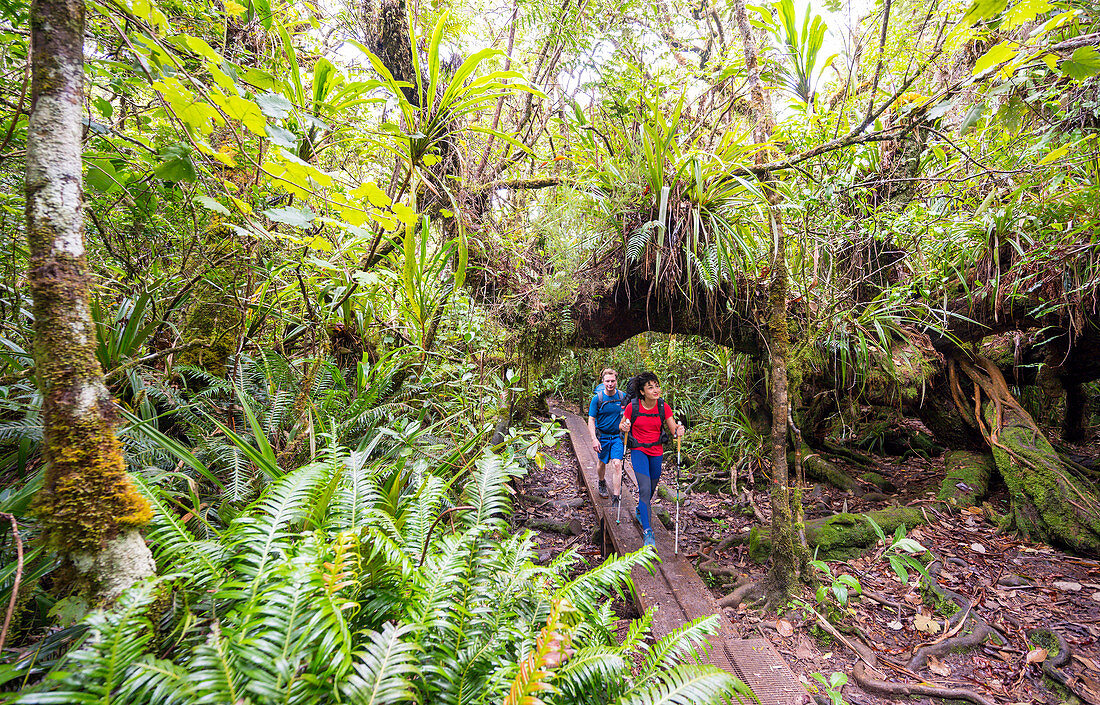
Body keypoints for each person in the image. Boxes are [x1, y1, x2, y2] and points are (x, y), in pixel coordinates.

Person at [620, 371, 685, 548]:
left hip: (657, 451)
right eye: (651, 387)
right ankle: (648, 532)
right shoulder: (633, 407)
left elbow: (673, 429)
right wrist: (624, 426)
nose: (656, 390)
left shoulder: (663, 407)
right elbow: (622, 424)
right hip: (638, 450)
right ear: (642, 391)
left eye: (657, 386)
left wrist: (678, 431)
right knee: (645, 488)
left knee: (650, 490)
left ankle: (641, 510)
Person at [588, 368, 626, 508]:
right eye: (607, 381)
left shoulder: (622, 397)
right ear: (603, 382)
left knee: (617, 464)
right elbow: (591, 420)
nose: (610, 384)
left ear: (616, 381)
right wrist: (594, 439)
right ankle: (602, 481)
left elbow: (629, 413)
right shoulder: (597, 399)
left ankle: (616, 497)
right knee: (602, 463)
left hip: (617, 437)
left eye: (613, 381)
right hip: (602, 436)